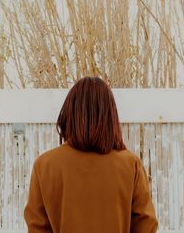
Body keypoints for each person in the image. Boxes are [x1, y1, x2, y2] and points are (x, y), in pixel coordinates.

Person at [24, 76, 158, 233]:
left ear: (69, 113)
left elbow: (37, 227)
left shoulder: (45, 165)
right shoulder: (131, 165)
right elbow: (146, 225)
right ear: (110, 116)